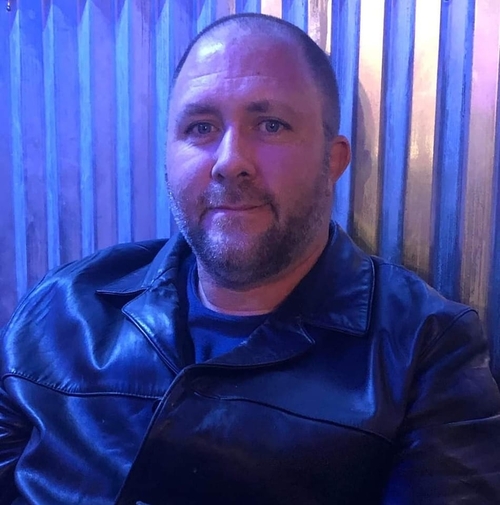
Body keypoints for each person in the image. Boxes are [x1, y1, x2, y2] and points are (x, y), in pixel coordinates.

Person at [1, 12, 499, 505]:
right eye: (200, 127)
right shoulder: (63, 306)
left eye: (270, 125)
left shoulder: (426, 350)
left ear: (333, 161)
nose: (229, 162)